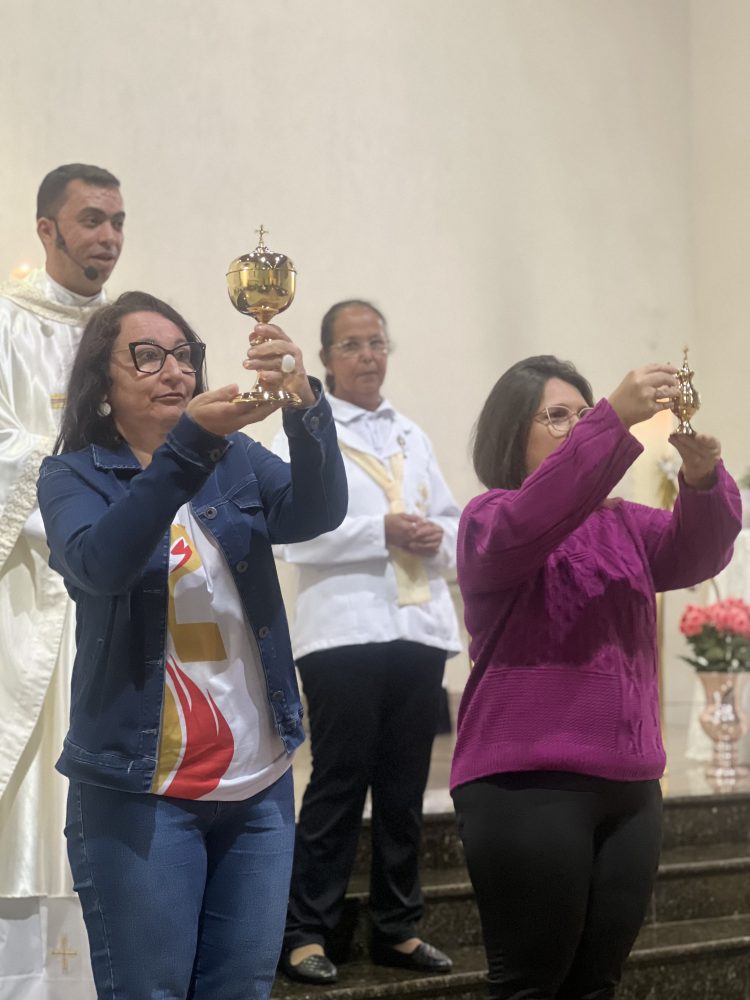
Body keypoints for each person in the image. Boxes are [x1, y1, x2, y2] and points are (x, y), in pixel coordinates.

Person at [36, 291, 347, 1000]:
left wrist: (302, 402)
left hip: (258, 781)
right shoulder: (73, 476)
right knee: (151, 990)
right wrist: (189, 446)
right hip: (142, 787)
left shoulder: (236, 460)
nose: (175, 370)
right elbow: (102, 566)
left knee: (240, 989)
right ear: (103, 385)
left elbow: (317, 511)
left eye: (185, 354)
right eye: (148, 356)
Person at [450, 355, 742, 1000]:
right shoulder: (489, 517)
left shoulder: (623, 523)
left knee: (596, 986)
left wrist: (701, 481)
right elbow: (537, 516)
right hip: (528, 783)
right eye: (557, 416)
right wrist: (611, 419)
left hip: (630, 782)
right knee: (530, 986)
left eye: (583, 413)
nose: (577, 426)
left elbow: (699, 551)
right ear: (510, 436)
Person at [273, 299, 461, 985]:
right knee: (339, 782)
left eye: (376, 342)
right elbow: (289, 532)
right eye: (351, 344)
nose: (367, 355)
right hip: (343, 631)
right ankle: (304, 931)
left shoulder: (411, 434)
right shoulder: (305, 430)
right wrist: (379, 531)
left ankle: (398, 927)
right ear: (325, 358)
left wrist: (438, 536)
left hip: (417, 629)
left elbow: (451, 521)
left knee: (405, 789)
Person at [0, 163, 124, 994]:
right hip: (27, 586)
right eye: (91, 220)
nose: (108, 236)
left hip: (116, 592)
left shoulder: (129, 334)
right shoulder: (6, 322)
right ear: (46, 229)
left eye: (118, 221)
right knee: (27, 790)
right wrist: (83, 511)